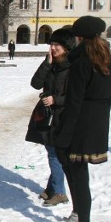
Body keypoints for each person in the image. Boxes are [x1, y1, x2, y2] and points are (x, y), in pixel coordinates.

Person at [53, 16, 111, 222]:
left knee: (78, 174)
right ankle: (78, 213)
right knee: (75, 171)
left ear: (79, 38)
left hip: (80, 124)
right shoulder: (108, 60)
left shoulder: (83, 61)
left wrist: (64, 133)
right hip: (97, 123)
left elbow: (75, 102)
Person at [25, 29, 75, 207]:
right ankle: (53, 188)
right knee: (52, 152)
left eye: (57, 45)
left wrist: (56, 99)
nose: (53, 48)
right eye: (51, 45)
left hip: (62, 116)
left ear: (66, 47)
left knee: (55, 153)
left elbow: (75, 95)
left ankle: (59, 192)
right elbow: (35, 83)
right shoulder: (50, 63)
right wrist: (47, 63)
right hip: (47, 115)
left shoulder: (72, 67)